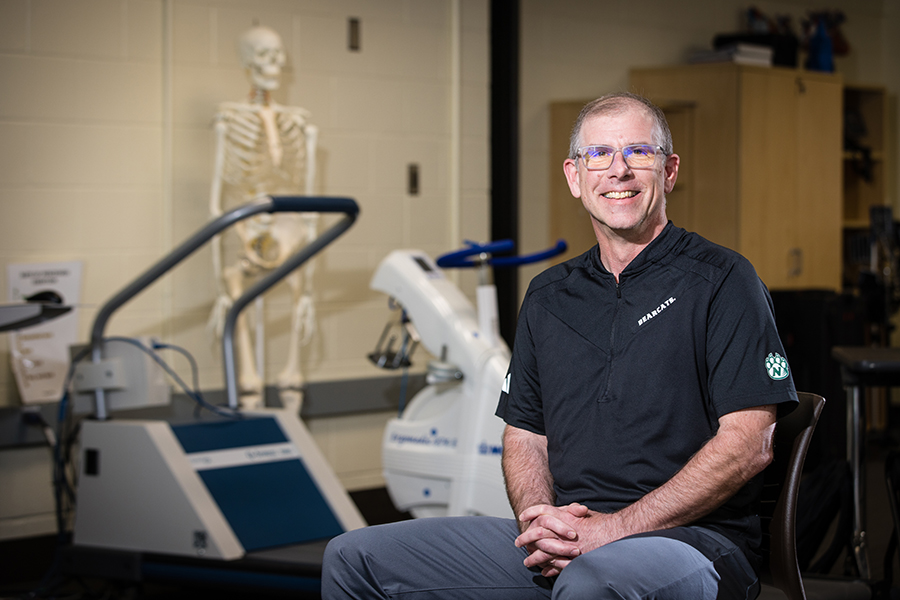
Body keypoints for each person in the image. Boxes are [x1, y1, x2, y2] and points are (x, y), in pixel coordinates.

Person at [322, 92, 798, 599]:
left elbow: (749, 445)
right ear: (575, 176)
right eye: (599, 155)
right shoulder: (549, 296)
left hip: (691, 542)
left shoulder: (723, 279)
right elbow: (525, 435)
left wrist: (613, 530)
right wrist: (540, 520)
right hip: (568, 538)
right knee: (354, 558)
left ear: (670, 170)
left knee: (592, 582)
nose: (619, 170)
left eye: (639, 152)